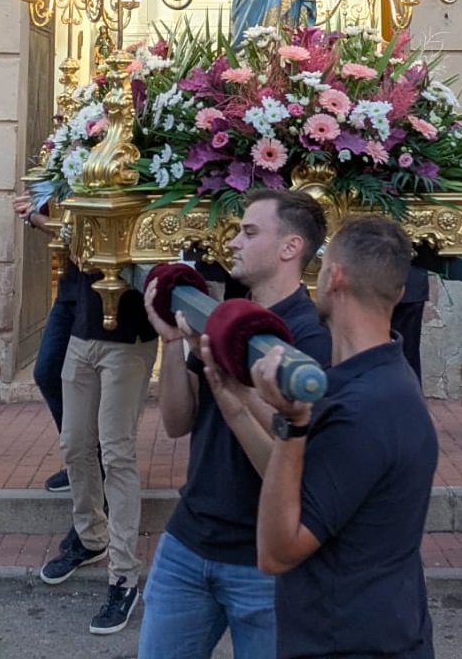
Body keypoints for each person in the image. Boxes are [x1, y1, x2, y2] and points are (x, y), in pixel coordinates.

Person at [210, 215, 438, 659]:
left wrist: (294, 425)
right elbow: (300, 486)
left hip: (350, 641)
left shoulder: (364, 408)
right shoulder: (379, 376)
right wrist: (236, 403)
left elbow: (277, 553)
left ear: (334, 277)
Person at [141, 189, 331, 659]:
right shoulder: (225, 318)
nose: (232, 243)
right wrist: (171, 343)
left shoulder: (311, 338)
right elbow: (176, 422)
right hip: (188, 543)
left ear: (290, 248)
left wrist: (241, 388)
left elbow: (293, 459)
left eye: (249, 232)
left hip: (261, 563)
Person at [40, 256, 161, 636]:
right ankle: (92, 536)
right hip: (82, 334)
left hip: (129, 340)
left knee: (116, 453)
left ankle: (124, 578)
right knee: (75, 444)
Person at [12, 187, 79, 493]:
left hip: (105, 286)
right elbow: (65, 227)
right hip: (72, 284)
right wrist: (33, 211)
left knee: (93, 384)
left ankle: (92, 467)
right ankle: (82, 460)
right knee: (48, 371)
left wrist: (36, 217)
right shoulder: (64, 156)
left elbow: (77, 228)